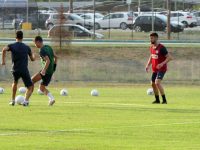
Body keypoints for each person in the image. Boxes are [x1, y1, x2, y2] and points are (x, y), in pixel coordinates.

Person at [1, 30, 35, 106]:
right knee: (30, 87)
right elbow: (32, 59)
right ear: (22, 37)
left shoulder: (11, 45)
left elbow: (3, 50)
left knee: (15, 83)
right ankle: (26, 102)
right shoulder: (27, 47)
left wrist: (3, 61)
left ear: (15, 37)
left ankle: (12, 101)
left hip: (15, 69)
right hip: (24, 70)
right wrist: (34, 56)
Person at [145, 32, 172, 104]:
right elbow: (151, 56)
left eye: (152, 38)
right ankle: (157, 100)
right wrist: (148, 65)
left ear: (156, 38)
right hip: (155, 69)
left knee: (157, 82)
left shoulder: (161, 48)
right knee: (152, 84)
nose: (151, 39)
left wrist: (162, 63)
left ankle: (164, 100)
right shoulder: (151, 47)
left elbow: (170, 57)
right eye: (150, 38)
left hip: (161, 69)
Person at [32, 36, 57, 106]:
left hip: (46, 71)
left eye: (35, 43)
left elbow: (48, 61)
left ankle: (26, 99)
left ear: (38, 42)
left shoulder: (42, 50)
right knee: (41, 87)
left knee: (31, 81)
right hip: (50, 71)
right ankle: (52, 99)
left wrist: (44, 70)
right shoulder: (48, 47)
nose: (35, 45)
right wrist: (54, 67)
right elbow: (56, 57)